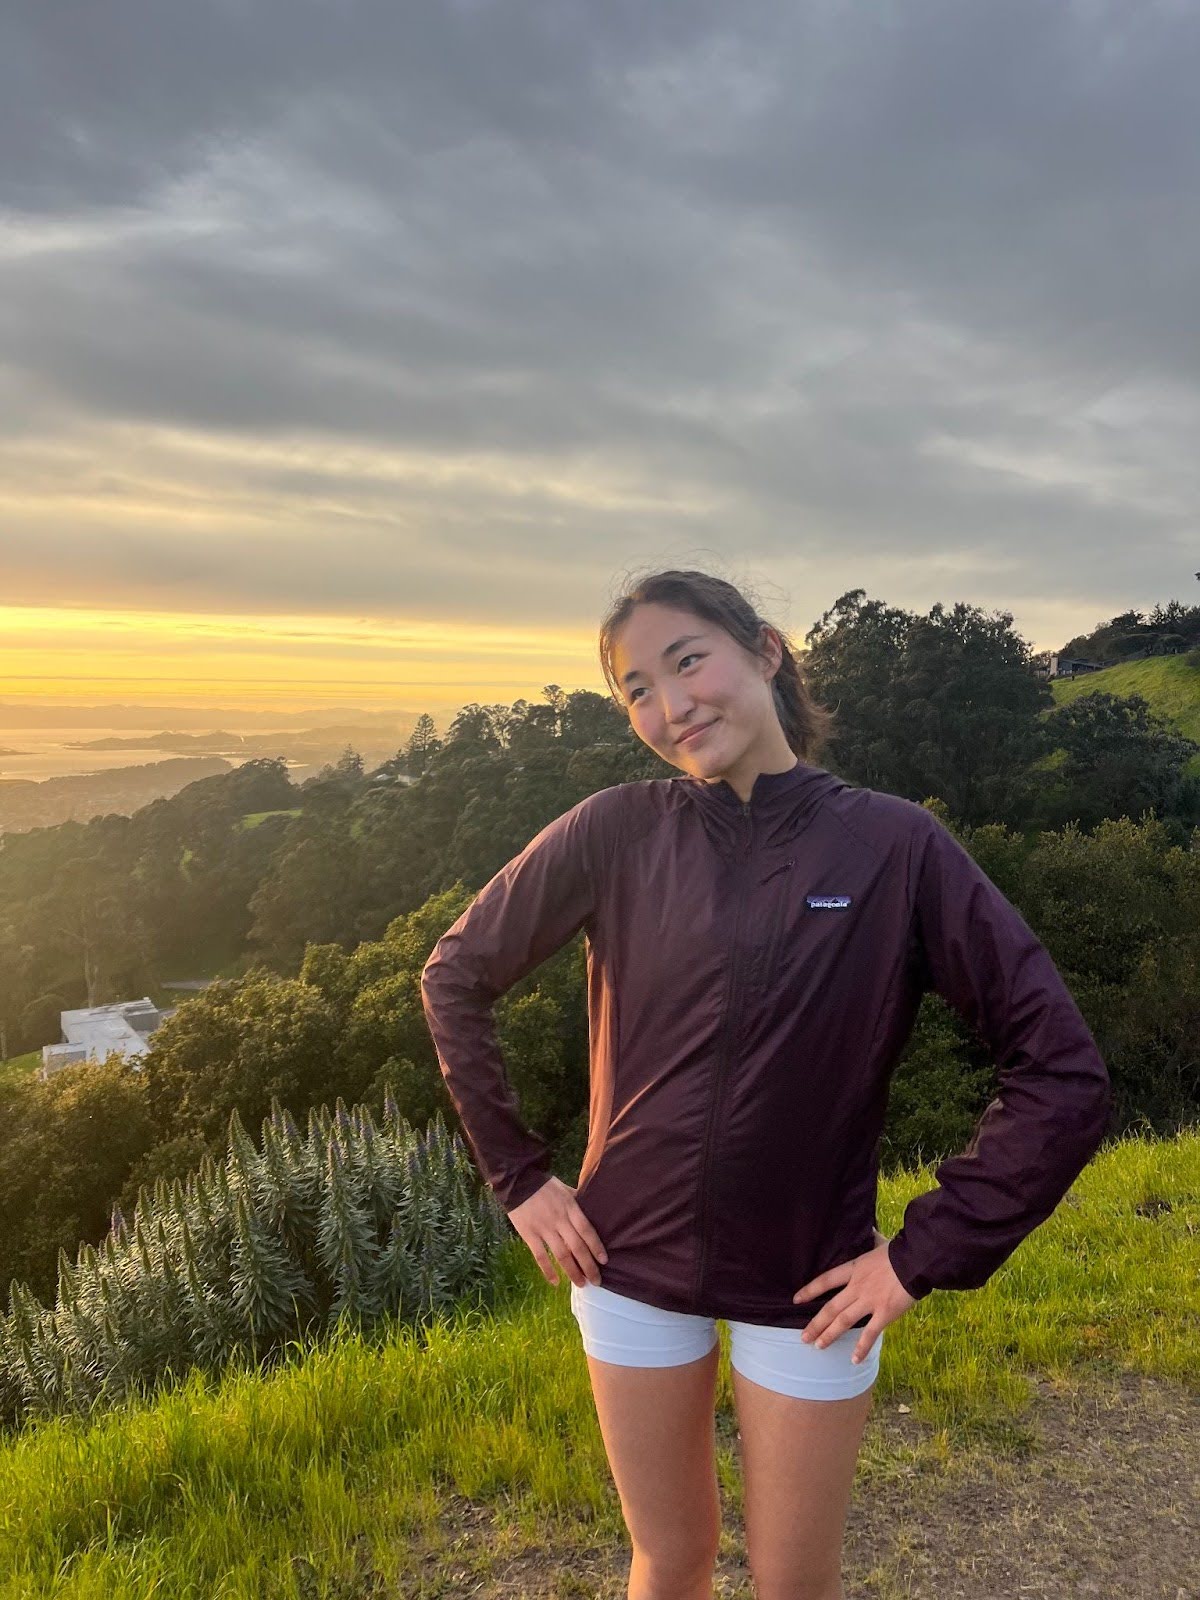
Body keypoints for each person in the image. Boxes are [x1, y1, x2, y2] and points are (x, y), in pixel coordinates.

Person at [420, 567, 1113, 1600]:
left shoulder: (893, 845)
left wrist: (922, 1253)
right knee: (669, 1558)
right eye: (637, 689)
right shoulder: (616, 830)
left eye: (687, 660)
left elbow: (1063, 1071)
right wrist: (518, 1177)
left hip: (812, 1289)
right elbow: (454, 976)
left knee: (793, 1582)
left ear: (766, 650)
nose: (670, 704)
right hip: (626, 1265)